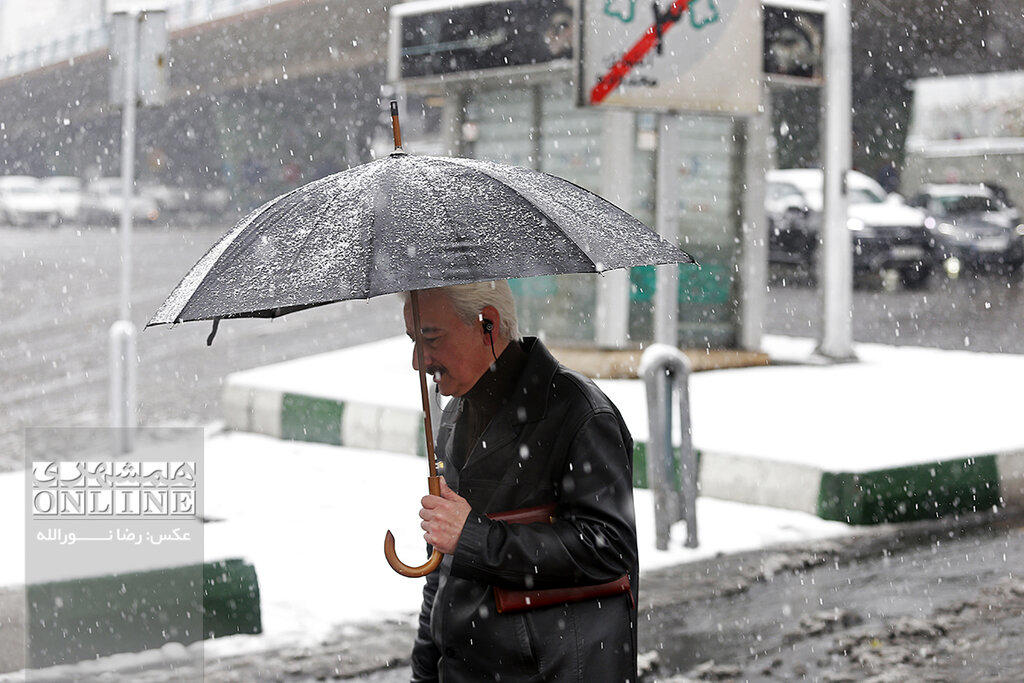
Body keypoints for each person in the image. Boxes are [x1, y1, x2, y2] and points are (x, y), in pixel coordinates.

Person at [403, 281, 639, 682]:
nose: (418, 361)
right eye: (413, 340)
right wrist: (426, 669)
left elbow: (609, 548)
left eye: (431, 338)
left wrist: (474, 537)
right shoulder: (454, 415)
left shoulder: (578, 412)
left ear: (487, 324)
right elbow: (443, 572)